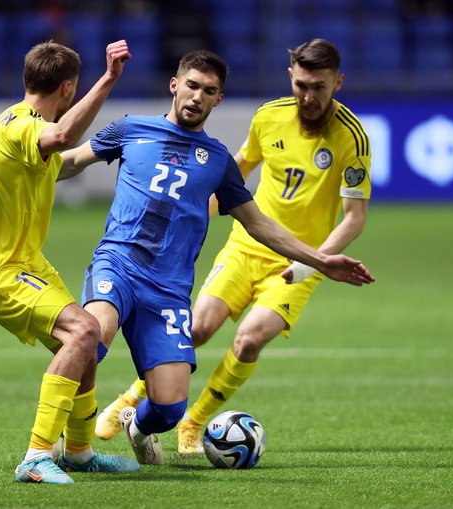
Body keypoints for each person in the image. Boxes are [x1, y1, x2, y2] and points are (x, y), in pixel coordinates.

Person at [58, 48, 374, 465]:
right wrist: (18, 165)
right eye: (191, 86)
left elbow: (271, 219)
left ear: (217, 99)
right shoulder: (135, 128)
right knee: (98, 334)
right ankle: (61, 448)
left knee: (194, 385)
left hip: (223, 277)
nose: (196, 97)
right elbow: (68, 162)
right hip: (142, 261)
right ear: (175, 85)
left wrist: (316, 260)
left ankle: (153, 421)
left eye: (208, 91)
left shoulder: (227, 160)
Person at [0, 39, 140, 485]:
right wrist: (109, 80)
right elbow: (61, 138)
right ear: (67, 88)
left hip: (21, 260)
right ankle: (36, 458)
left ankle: (79, 453)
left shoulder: (1, 122)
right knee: (82, 332)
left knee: (87, 340)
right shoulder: (26, 127)